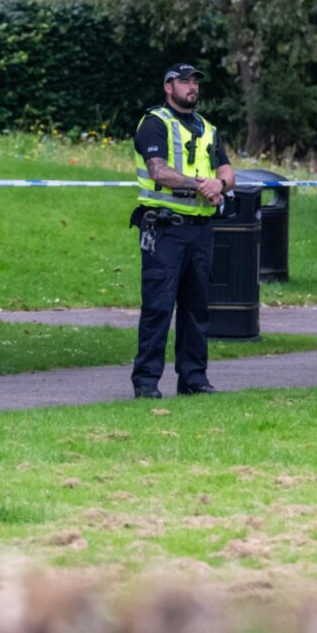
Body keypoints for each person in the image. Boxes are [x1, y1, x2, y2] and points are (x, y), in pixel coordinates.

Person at [129, 63, 235, 398]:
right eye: (185, 81)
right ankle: (146, 383)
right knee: (159, 307)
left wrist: (219, 183)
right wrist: (202, 185)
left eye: (195, 82)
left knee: (196, 308)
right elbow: (158, 171)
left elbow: (228, 172)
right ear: (168, 86)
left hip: (201, 229)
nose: (193, 87)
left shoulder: (207, 127)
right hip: (165, 228)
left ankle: (193, 379)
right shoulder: (154, 123)